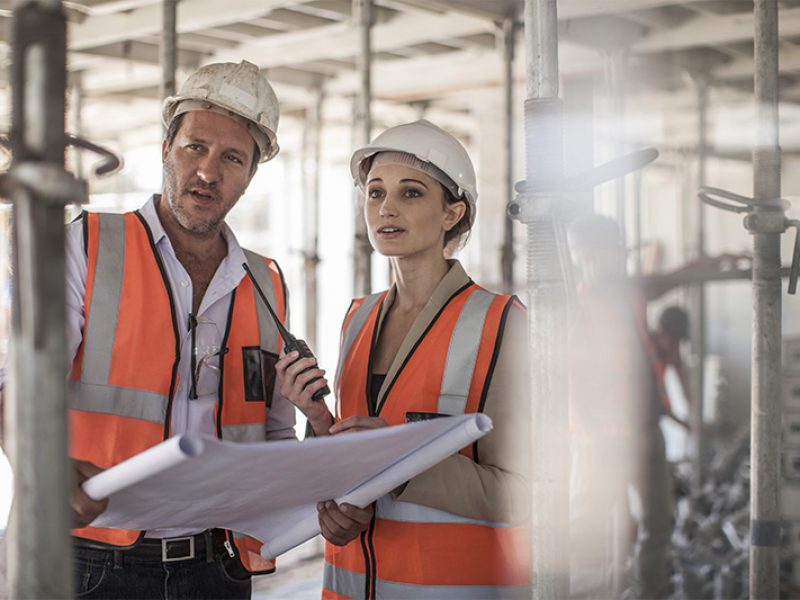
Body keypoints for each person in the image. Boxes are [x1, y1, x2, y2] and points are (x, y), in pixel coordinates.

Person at [66, 60, 338, 599]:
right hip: (91, 558)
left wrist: (320, 431)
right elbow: (15, 386)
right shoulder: (89, 246)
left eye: (232, 157)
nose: (208, 172)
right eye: (195, 147)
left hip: (215, 567)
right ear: (166, 147)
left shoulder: (265, 282)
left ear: (252, 173)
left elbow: (272, 437)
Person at [277, 119, 532, 598]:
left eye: (410, 193)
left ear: (452, 213)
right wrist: (315, 420)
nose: (386, 208)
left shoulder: (501, 323)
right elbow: (347, 455)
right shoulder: (358, 317)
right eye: (375, 193)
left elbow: (524, 493)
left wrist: (399, 459)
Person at [566, 214, 673, 599]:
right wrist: (594, 432)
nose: (618, 263)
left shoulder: (626, 296)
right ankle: (585, 592)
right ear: (587, 257)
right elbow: (569, 375)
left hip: (645, 429)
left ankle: (651, 592)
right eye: (611, 255)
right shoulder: (577, 305)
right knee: (589, 528)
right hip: (603, 437)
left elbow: (665, 281)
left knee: (659, 521)